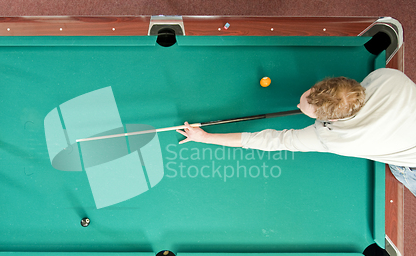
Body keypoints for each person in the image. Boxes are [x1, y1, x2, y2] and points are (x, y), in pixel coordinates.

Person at [176, 68, 416, 196]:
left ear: (330, 119)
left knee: (401, 170)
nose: (300, 107)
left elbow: (271, 140)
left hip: (412, 163)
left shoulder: (336, 139)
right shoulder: (389, 78)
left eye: (307, 111)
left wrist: (205, 137)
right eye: (305, 99)